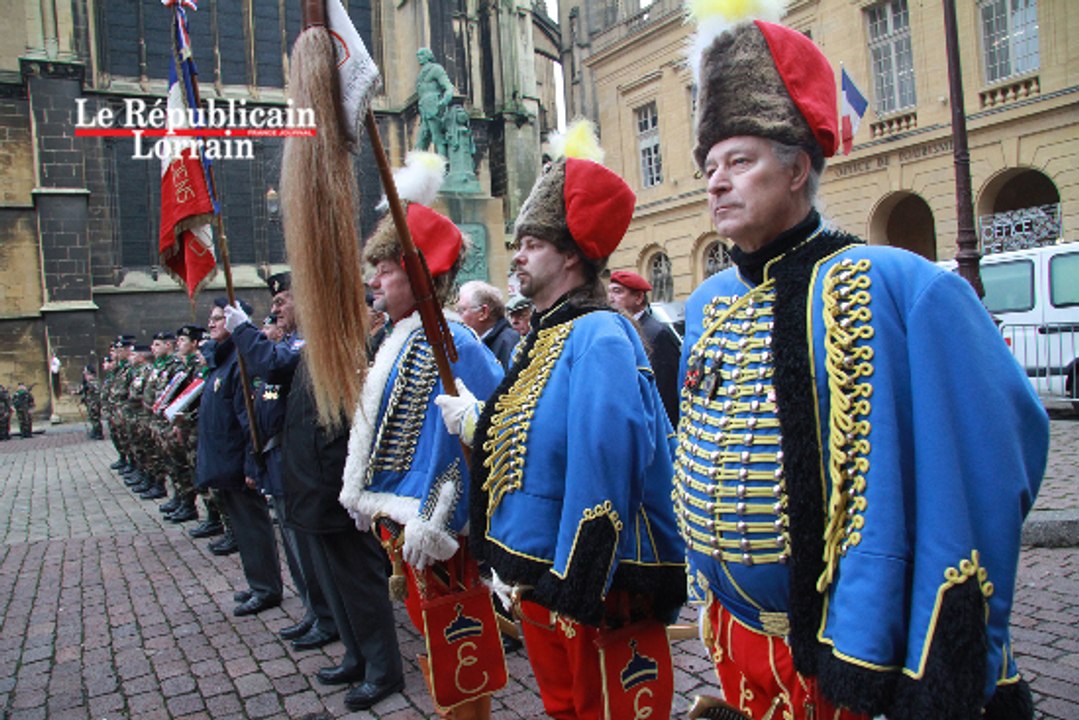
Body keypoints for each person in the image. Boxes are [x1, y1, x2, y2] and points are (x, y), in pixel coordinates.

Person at [675, 9, 1048, 720]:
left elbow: (997, 453)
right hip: (732, 631)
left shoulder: (906, 285)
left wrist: (940, 647)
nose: (716, 184)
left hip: (843, 649)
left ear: (798, 168)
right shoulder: (707, 303)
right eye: (709, 167)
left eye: (740, 161)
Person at [438, 121, 686, 720]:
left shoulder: (599, 331)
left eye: (532, 243)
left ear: (572, 255)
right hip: (539, 580)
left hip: (586, 587)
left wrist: (576, 583)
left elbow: (605, 463)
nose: (517, 255)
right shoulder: (546, 336)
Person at [342, 196, 504, 717]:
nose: (375, 283)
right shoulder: (402, 339)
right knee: (432, 634)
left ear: (417, 276)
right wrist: (368, 489)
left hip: (441, 536)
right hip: (403, 524)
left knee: (458, 638)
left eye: (386, 271)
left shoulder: (454, 342)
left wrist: (439, 515)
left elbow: (483, 435)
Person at [224, 272, 340, 653]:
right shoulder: (289, 341)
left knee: (308, 546)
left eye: (281, 302)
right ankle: (313, 610)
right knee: (294, 546)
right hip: (277, 460)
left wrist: (242, 331)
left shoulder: (307, 343)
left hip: (300, 462)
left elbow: (272, 364)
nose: (275, 310)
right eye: (273, 304)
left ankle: (327, 616)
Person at [196, 297, 283, 616]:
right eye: (212, 318)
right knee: (241, 527)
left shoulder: (239, 361)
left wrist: (251, 463)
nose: (212, 323)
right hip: (224, 461)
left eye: (220, 318)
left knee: (253, 526)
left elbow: (250, 419)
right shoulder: (220, 360)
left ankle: (267, 587)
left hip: (238, 461)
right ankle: (256, 582)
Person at [607, 270, 681, 425]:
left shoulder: (656, 333)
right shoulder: (620, 328)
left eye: (618, 292)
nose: (610, 298)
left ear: (639, 297)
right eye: (609, 291)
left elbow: (666, 391)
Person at [455, 280, 518, 370]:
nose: (457, 317)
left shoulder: (508, 343)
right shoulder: (476, 341)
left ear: (483, 313)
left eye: (461, 310)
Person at [414, 47, 454, 157]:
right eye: (418, 56)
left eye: (422, 55)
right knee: (421, 141)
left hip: (434, 106)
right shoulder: (420, 74)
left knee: (437, 137)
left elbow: (448, 87)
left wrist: (445, 100)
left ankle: (443, 165)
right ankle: (416, 169)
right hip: (424, 108)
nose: (419, 58)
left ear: (428, 56)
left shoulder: (436, 69)